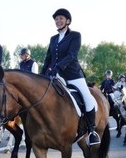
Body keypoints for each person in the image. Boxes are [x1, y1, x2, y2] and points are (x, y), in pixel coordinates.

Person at [40, 8, 100, 146]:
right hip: (54, 75)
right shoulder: (53, 39)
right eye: (56, 19)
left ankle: (92, 131)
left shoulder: (75, 35)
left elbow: (72, 54)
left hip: (73, 75)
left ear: (67, 21)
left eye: (60, 18)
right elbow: (48, 58)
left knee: (87, 98)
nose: (58, 21)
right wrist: (41, 75)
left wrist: (58, 68)